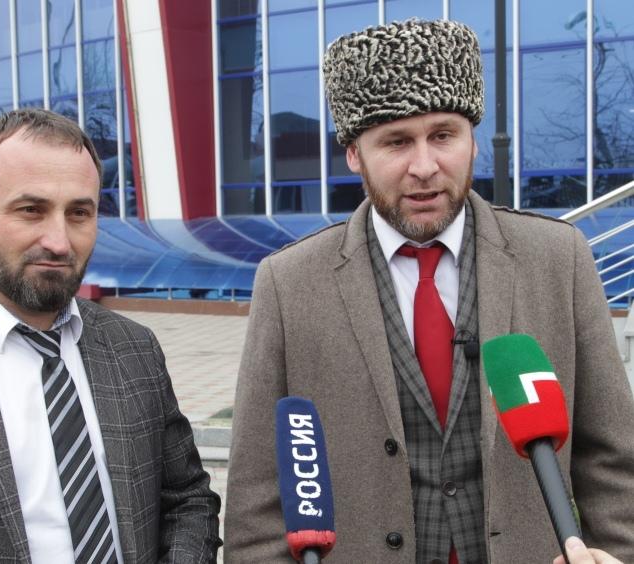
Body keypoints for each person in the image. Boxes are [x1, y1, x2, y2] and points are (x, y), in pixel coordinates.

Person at [225, 19, 634, 563]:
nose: (424, 166)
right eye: (396, 142)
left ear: (472, 139)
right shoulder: (288, 283)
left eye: (443, 135)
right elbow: (257, 502)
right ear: (354, 154)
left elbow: (613, 462)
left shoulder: (559, 258)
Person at [0, 108, 221, 563]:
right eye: (31, 210)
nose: (59, 241)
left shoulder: (135, 349)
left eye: (79, 213)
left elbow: (188, 500)